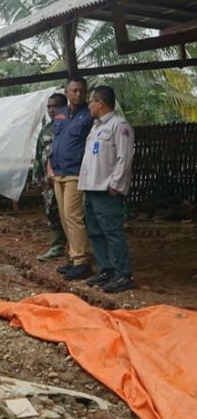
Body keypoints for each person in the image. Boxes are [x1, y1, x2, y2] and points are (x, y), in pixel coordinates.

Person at [78, 86, 136, 292]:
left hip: (106, 189)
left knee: (112, 232)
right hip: (91, 188)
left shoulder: (119, 125)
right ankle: (106, 269)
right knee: (95, 232)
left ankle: (123, 274)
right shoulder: (96, 127)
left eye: (91, 101)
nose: (88, 105)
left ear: (100, 102)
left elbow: (125, 157)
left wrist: (116, 184)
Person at [48, 77, 93, 280]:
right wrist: (50, 165)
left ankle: (81, 260)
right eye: (74, 90)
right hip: (58, 171)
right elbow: (56, 141)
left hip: (75, 172)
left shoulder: (89, 115)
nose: (78, 94)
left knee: (73, 216)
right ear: (66, 92)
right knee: (65, 216)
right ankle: (73, 256)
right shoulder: (61, 114)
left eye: (81, 91)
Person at [35, 94, 68, 261]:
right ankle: (57, 247)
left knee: (70, 214)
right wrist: (39, 178)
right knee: (52, 212)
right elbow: (39, 154)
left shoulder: (70, 126)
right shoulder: (46, 129)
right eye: (49, 106)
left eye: (55, 106)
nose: (51, 110)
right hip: (49, 182)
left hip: (66, 179)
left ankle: (75, 250)